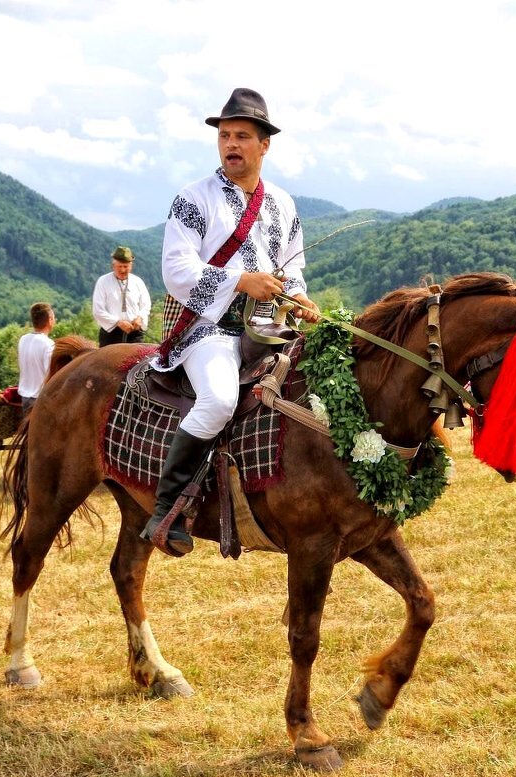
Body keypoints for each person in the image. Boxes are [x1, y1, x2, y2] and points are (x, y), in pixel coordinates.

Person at [141, 87, 321, 557]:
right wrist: (242, 281)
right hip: (208, 329)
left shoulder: (283, 203)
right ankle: (167, 510)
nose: (231, 145)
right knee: (219, 400)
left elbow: (292, 266)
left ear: (265, 145)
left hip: (270, 328)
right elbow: (176, 271)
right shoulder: (193, 198)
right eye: (224, 136)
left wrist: (301, 299)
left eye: (242, 136)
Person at [92, 245, 151, 346]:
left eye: (126, 267)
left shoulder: (137, 281)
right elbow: (98, 310)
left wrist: (140, 317)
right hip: (111, 334)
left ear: (131, 266)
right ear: (113, 266)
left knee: (137, 361)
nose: (123, 270)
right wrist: (118, 322)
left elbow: (146, 305)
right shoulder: (103, 281)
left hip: (134, 333)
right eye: (120, 266)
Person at [17, 302, 55, 414]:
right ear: (50, 320)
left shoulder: (23, 340)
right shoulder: (48, 345)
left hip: (24, 397)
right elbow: (50, 375)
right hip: (40, 399)